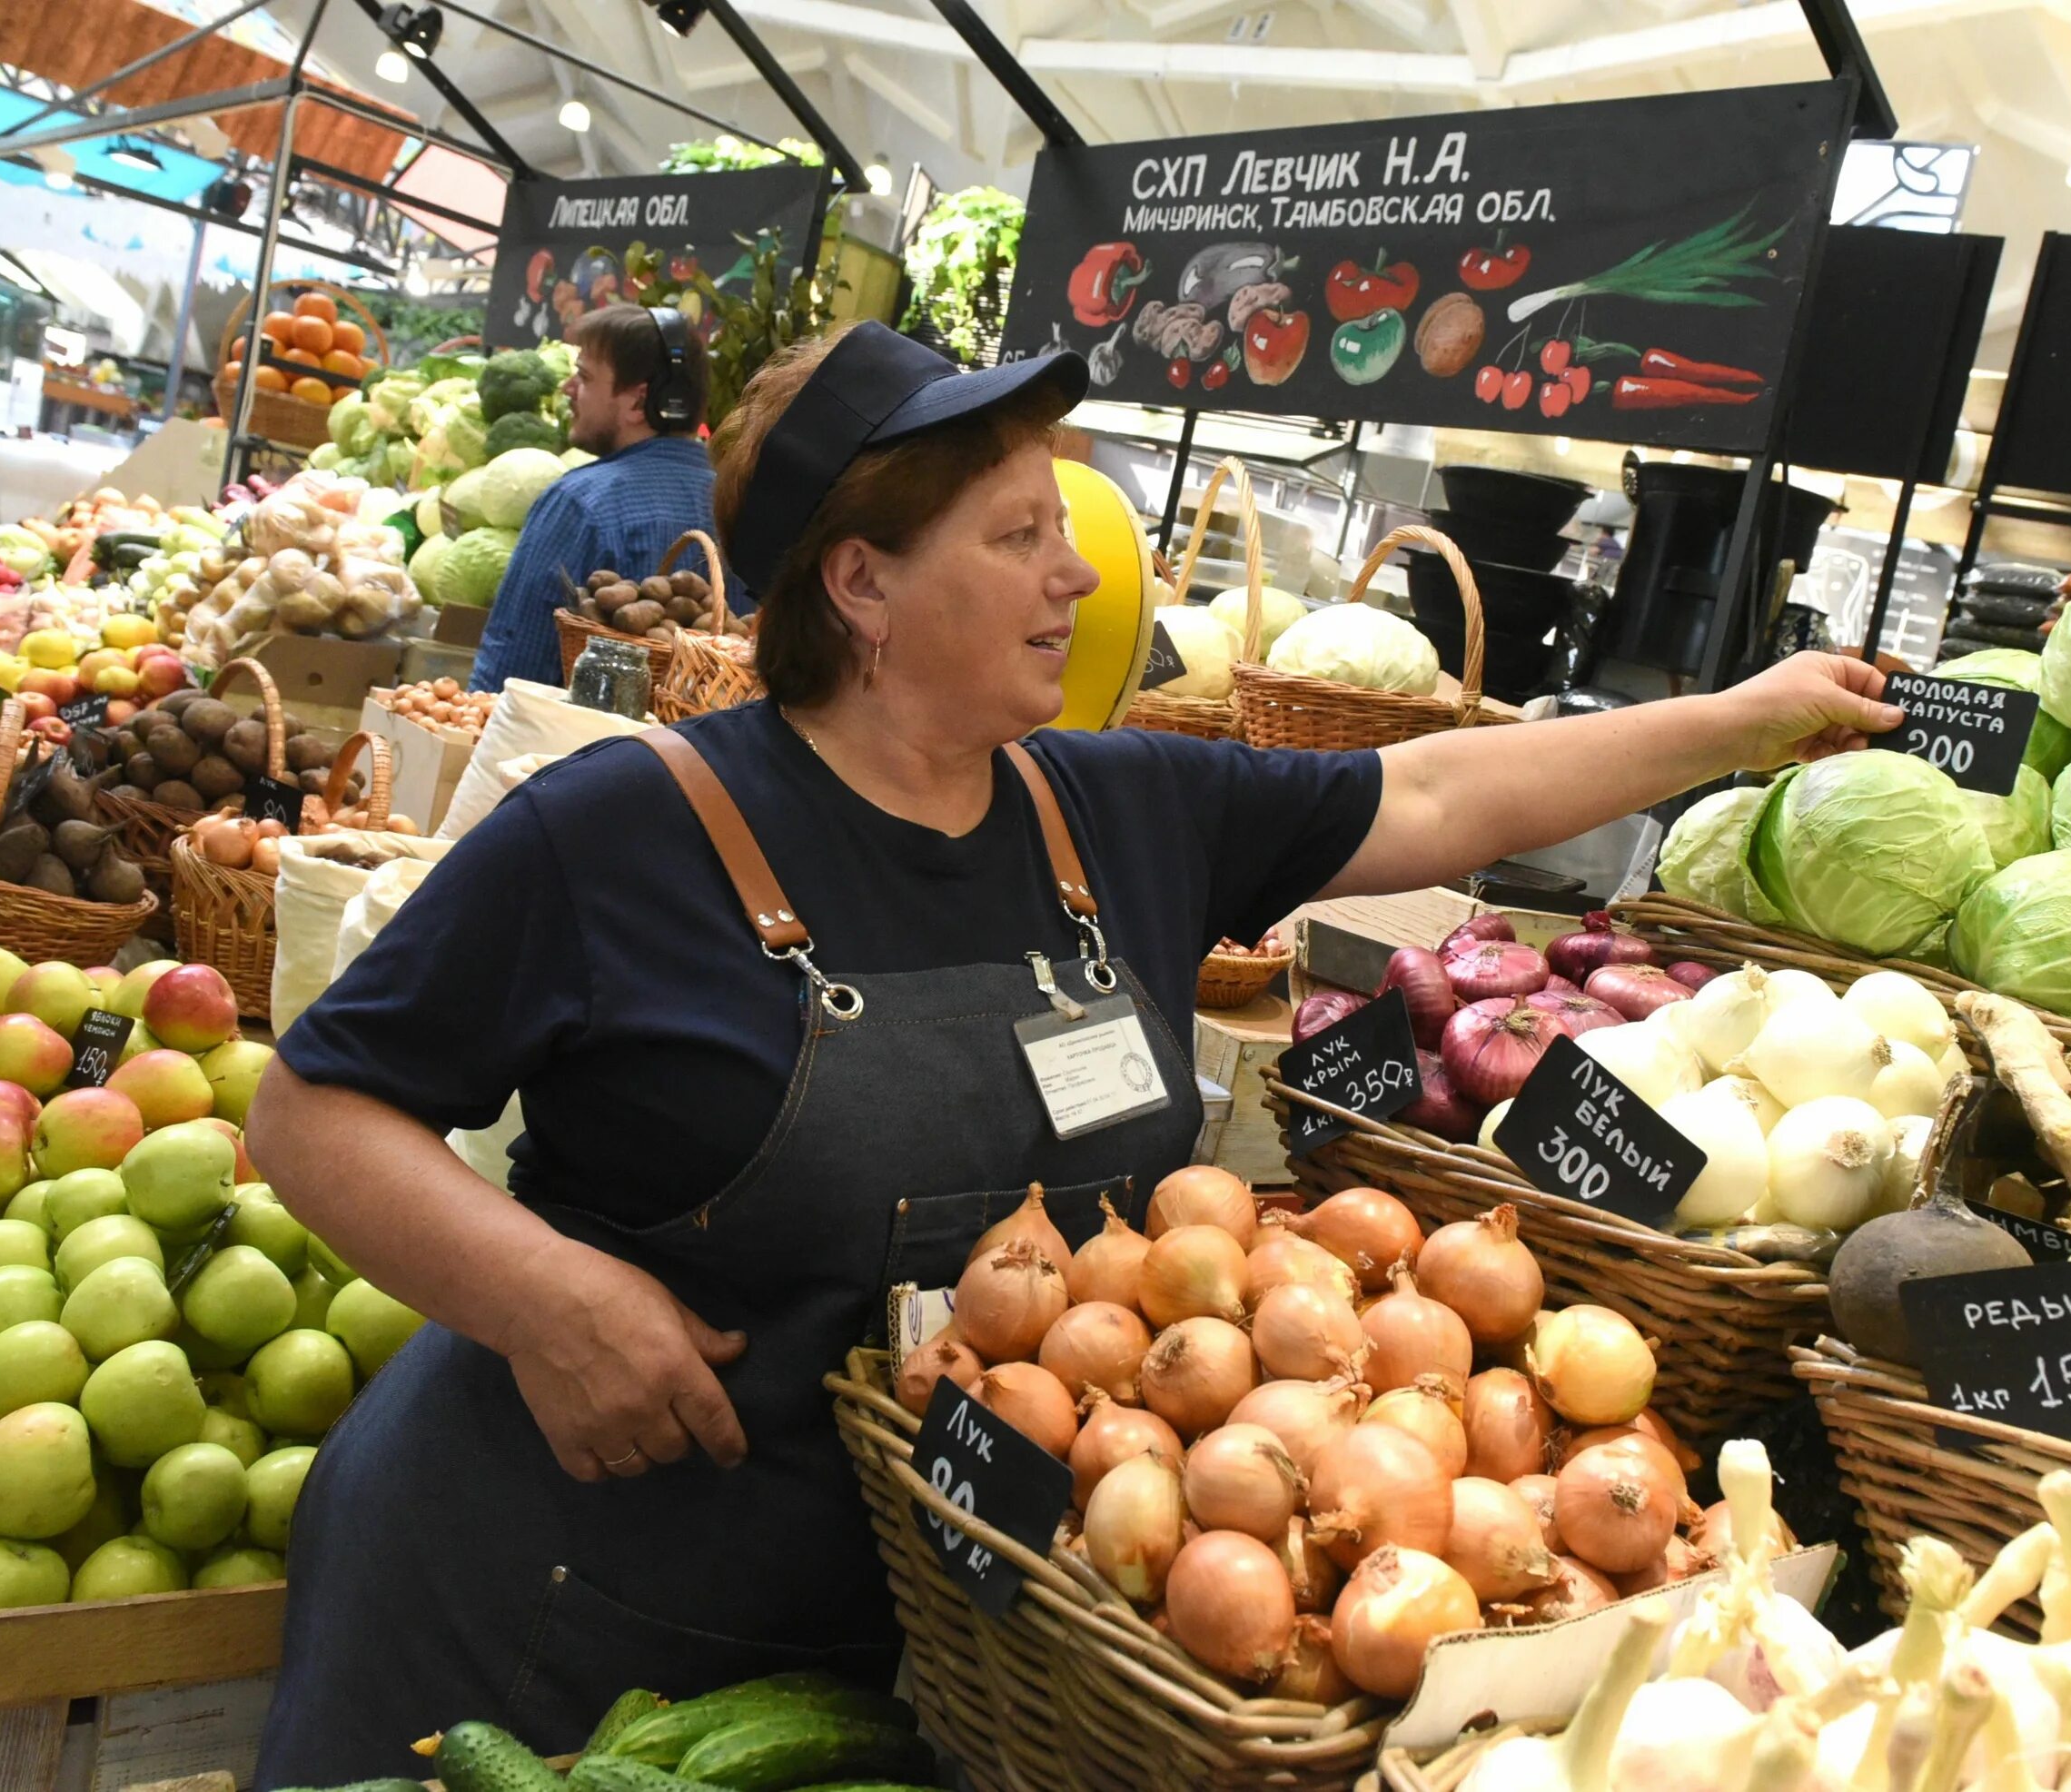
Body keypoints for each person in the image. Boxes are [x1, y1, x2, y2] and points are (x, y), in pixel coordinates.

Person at [245, 319, 1901, 1785]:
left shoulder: (1110, 805)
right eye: (1022, 531)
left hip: (906, 1628)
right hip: (548, 1606)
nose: (1083, 574)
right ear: (863, 581)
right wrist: (547, 1295)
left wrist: (1745, 717)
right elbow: (313, 1111)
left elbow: (1444, 796)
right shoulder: (624, 828)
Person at [468, 303, 716, 694]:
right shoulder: (741, 503)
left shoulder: (581, 503)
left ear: (639, 401)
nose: (567, 388)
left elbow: (512, 673)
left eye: (583, 377)